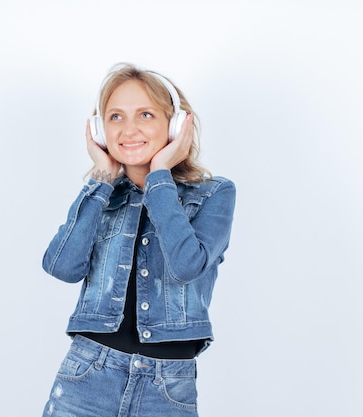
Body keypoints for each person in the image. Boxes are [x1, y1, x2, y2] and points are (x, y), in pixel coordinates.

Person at [41, 63, 236, 417]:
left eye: (145, 114)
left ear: (176, 125)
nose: (128, 129)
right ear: (100, 130)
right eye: (115, 117)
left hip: (167, 388)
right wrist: (100, 181)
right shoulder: (103, 196)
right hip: (86, 378)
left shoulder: (213, 195)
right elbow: (61, 267)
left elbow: (186, 265)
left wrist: (159, 174)